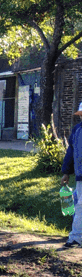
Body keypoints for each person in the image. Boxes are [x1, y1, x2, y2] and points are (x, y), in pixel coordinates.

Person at [60, 102, 82, 249]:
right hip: (81, 176)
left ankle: (76, 238)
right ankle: (76, 236)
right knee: (78, 204)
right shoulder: (77, 130)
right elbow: (71, 153)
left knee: (80, 206)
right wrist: (66, 172)